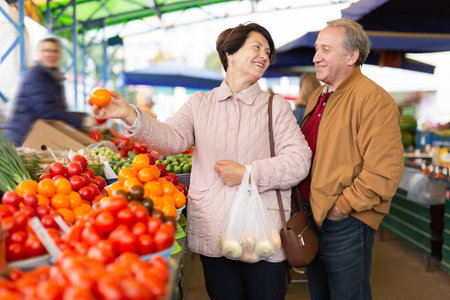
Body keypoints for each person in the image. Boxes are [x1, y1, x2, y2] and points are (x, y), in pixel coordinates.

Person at [89, 23, 311, 300]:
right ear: (229, 54)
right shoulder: (199, 104)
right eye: (256, 47)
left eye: (268, 52)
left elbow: (299, 160)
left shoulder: (274, 107)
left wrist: (248, 173)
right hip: (214, 227)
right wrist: (130, 115)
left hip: (262, 230)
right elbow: (170, 139)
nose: (264, 56)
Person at [298, 19, 404, 299]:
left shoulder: (373, 100)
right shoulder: (317, 96)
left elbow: (385, 170)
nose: (316, 57)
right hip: (312, 215)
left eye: (326, 50)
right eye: (316, 48)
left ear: (352, 56)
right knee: (319, 293)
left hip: (343, 220)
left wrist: (341, 208)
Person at [4, 36, 90, 146]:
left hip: (37, 138)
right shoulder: (35, 76)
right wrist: (82, 120)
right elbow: (47, 111)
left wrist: (84, 116)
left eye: (55, 51)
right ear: (38, 53)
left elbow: (59, 110)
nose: (51, 55)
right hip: (21, 140)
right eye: (46, 50)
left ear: (60, 55)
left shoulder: (53, 77)